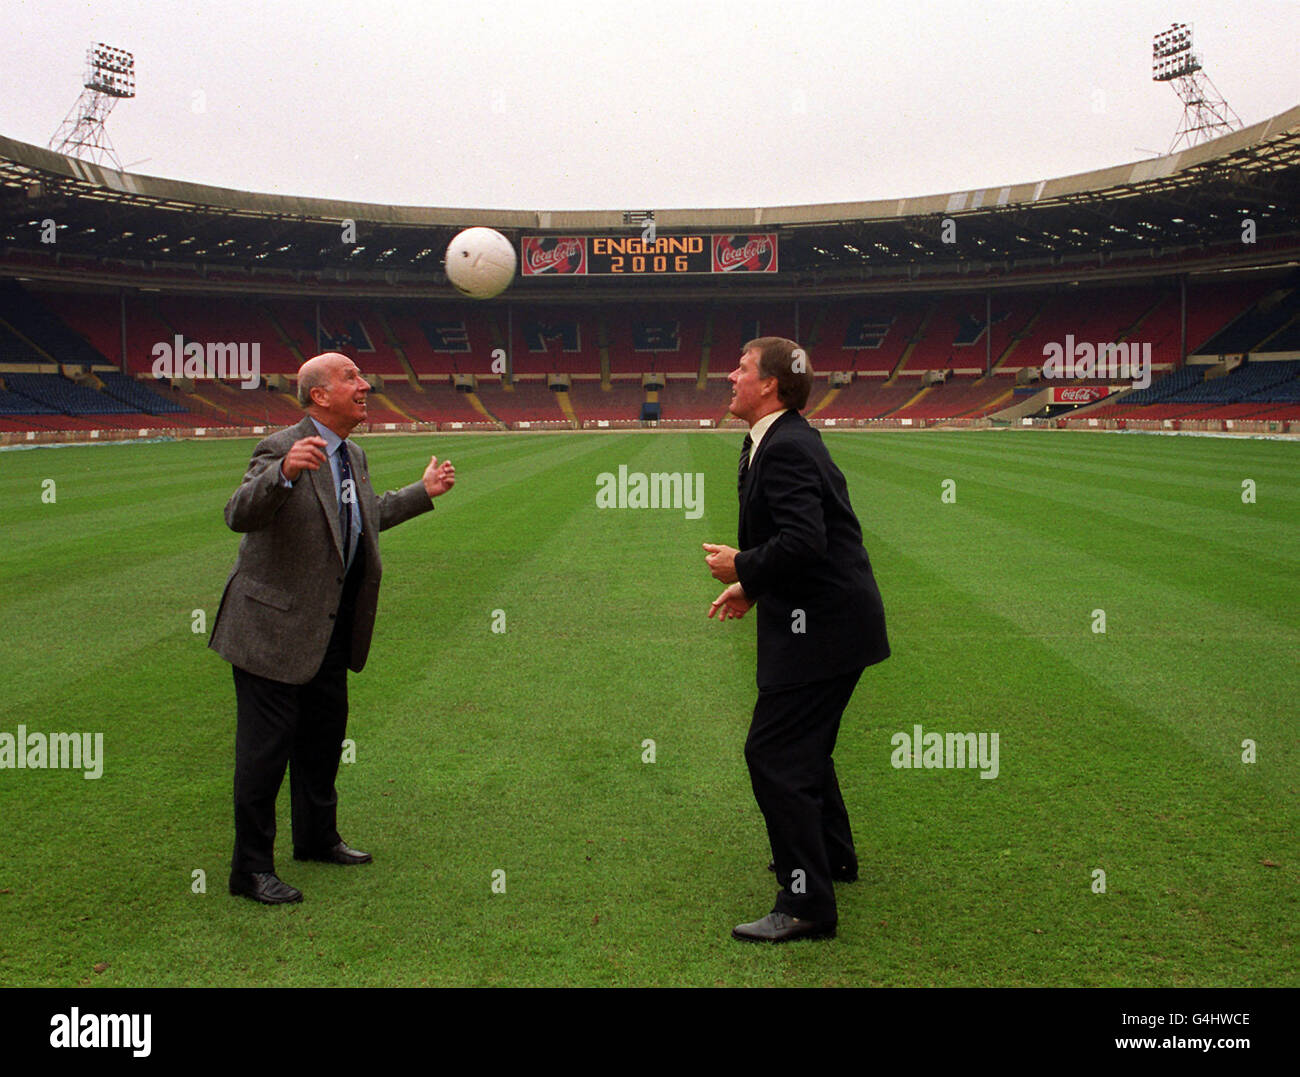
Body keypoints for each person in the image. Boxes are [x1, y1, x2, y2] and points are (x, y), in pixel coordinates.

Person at [210, 352, 456, 905]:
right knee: (264, 753)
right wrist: (284, 473)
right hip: (270, 631)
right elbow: (238, 513)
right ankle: (249, 870)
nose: (365, 385)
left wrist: (423, 493)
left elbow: (365, 517)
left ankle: (317, 839)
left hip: (328, 628)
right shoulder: (281, 446)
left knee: (322, 743)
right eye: (351, 378)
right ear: (319, 395)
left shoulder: (355, 454)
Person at [704, 337, 889, 942]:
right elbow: (808, 540)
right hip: (833, 622)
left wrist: (744, 566)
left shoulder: (786, 447)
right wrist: (752, 588)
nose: (730, 375)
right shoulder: (778, 439)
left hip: (824, 631)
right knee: (804, 750)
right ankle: (831, 859)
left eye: (743, 367)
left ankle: (806, 902)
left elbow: (805, 541)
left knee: (774, 756)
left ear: (771, 387)